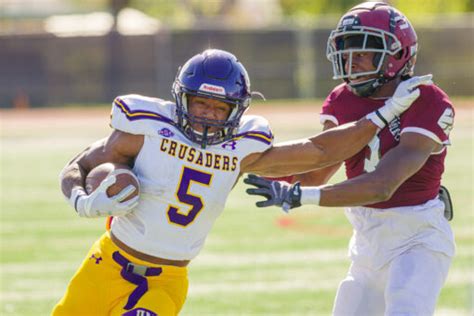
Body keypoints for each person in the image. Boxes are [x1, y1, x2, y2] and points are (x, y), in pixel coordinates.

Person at [53, 48, 429, 316]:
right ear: (182, 99)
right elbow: (79, 165)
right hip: (105, 263)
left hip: (166, 280)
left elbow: (319, 151)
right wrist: (81, 200)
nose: (208, 116)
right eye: (201, 104)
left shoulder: (241, 149)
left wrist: (384, 113)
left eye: (220, 108)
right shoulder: (146, 128)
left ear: (238, 111)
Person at [245, 2, 455, 316]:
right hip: (366, 242)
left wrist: (301, 196)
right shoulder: (342, 99)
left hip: (418, 238)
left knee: (405, 309)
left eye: (363, 51)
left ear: (397, 55)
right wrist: (246, 166)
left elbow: (382, 186)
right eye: (347, 51)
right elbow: (319, 166)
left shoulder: (426, 99)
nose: (351, 61)